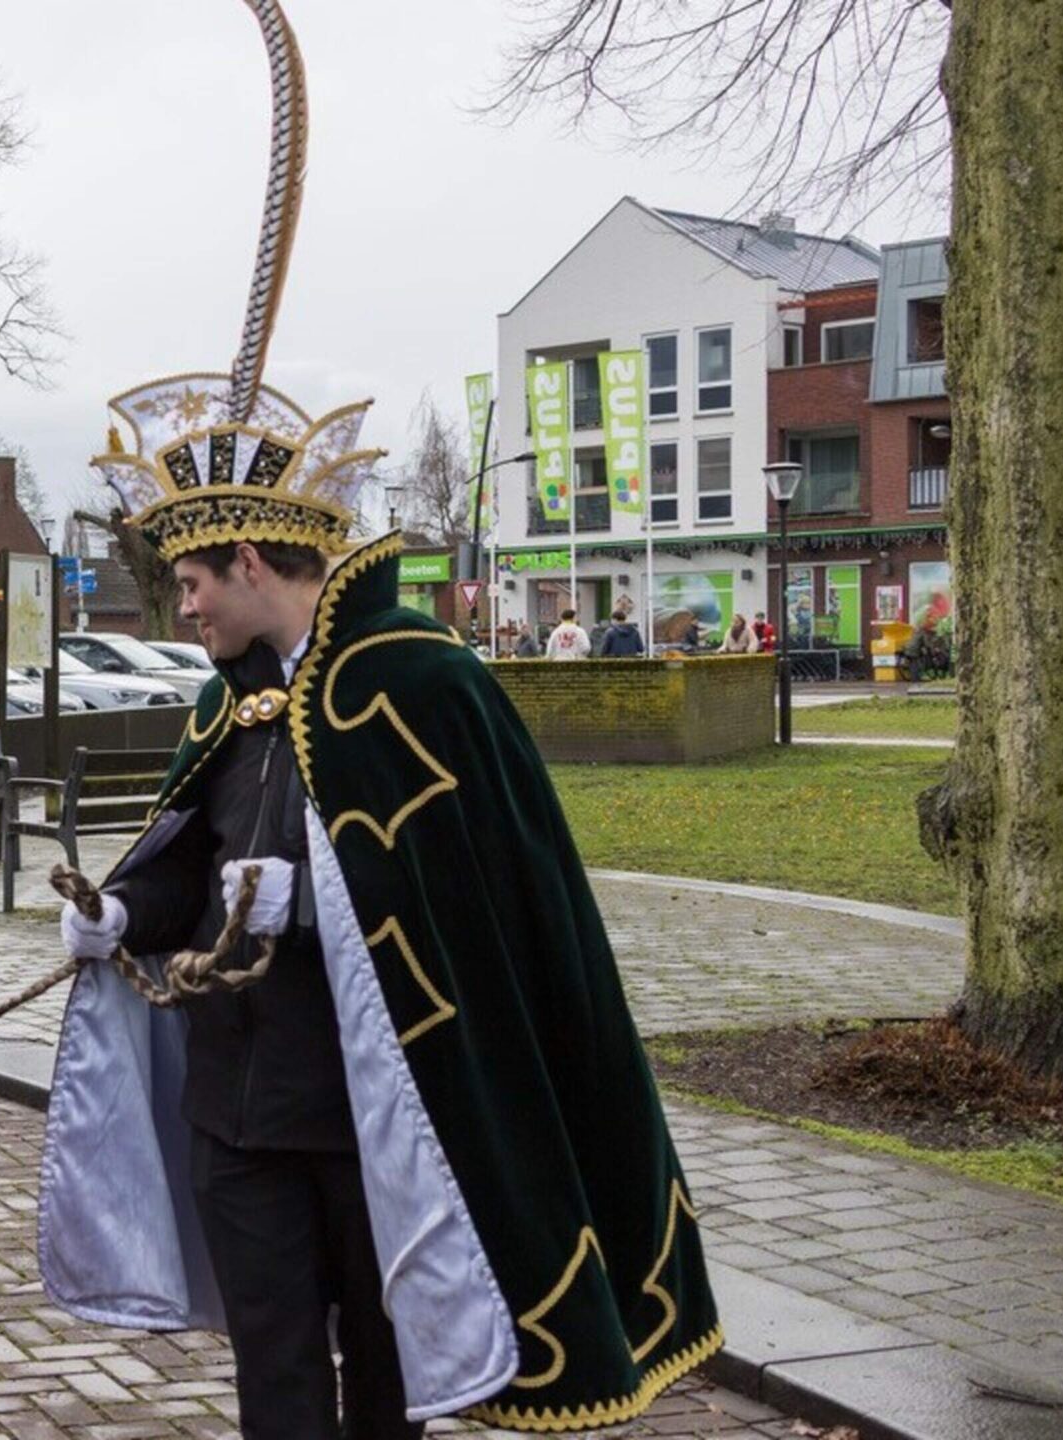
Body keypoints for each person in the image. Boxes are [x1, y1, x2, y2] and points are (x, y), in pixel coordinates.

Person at [49, 381, 716, 1434]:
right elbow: (191, 855)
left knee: (383, 1380)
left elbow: (478, 897)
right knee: (273, 1379)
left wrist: (305, 903)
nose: (185, 609)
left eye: (192, 584)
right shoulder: (230, 698)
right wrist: (125, 911)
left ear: (251, 564)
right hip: (235, 1113)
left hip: (375, 1117)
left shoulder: (422, 682)